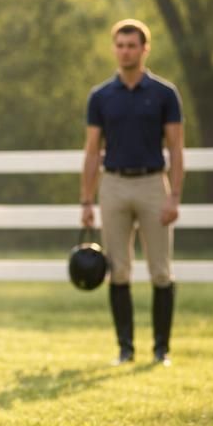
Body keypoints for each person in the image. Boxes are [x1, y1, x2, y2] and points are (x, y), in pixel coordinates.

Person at [80, 19, 185, 366]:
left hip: (154, 183)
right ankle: (125, 349)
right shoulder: (101, 97)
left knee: (160, 270)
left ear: (144, 49)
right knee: (119, 270)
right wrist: (86, 199)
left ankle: (161, 350)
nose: (125, 51)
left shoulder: (164, 94)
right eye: (120, 45)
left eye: (132, 45)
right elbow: (93, 151)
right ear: (114, 48)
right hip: (114, 185)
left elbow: (177, 148)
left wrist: (174, 196)